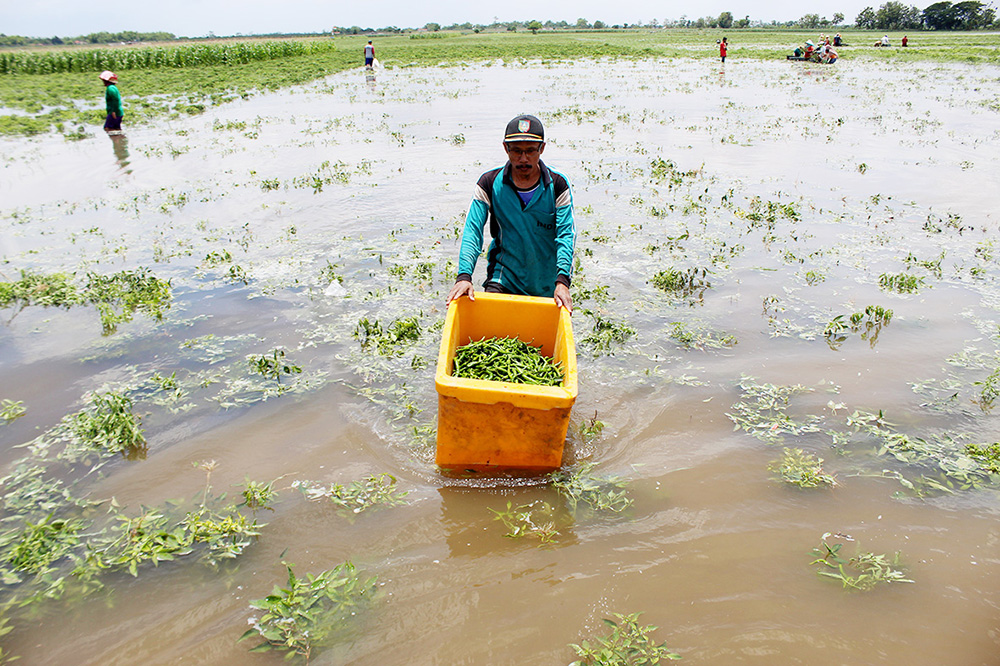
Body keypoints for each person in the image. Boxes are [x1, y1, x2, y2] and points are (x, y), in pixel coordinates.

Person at [446, 114, 575, 312]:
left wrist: (562, 281)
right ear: (506, 148)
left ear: (542, 148)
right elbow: (473, 231)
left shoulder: (557, 185)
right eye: (516, 151)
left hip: (546, 285)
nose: (523, 159)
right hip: (503, 278)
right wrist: (464, 276)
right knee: (491, 333)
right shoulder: (489, 183)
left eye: (531, 151)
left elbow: (566, 235)